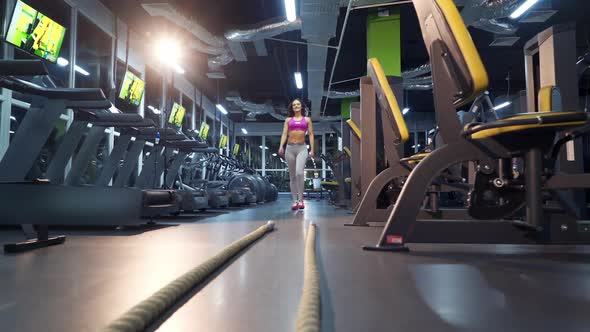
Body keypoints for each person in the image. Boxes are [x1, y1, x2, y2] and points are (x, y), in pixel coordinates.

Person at [278, 99, 314, 210]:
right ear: (292, 108)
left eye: (298, 104)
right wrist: (281, 146)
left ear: (301, 106)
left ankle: (301, 200)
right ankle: (295, 201)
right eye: (294, 105)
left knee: (299, 173)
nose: (296, 106)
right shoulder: (288, 120)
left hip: (302, 148)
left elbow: (311, 135)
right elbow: (284, 134)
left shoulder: (307, 119)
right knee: (292, 176)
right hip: (290, 148)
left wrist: (312, 149)